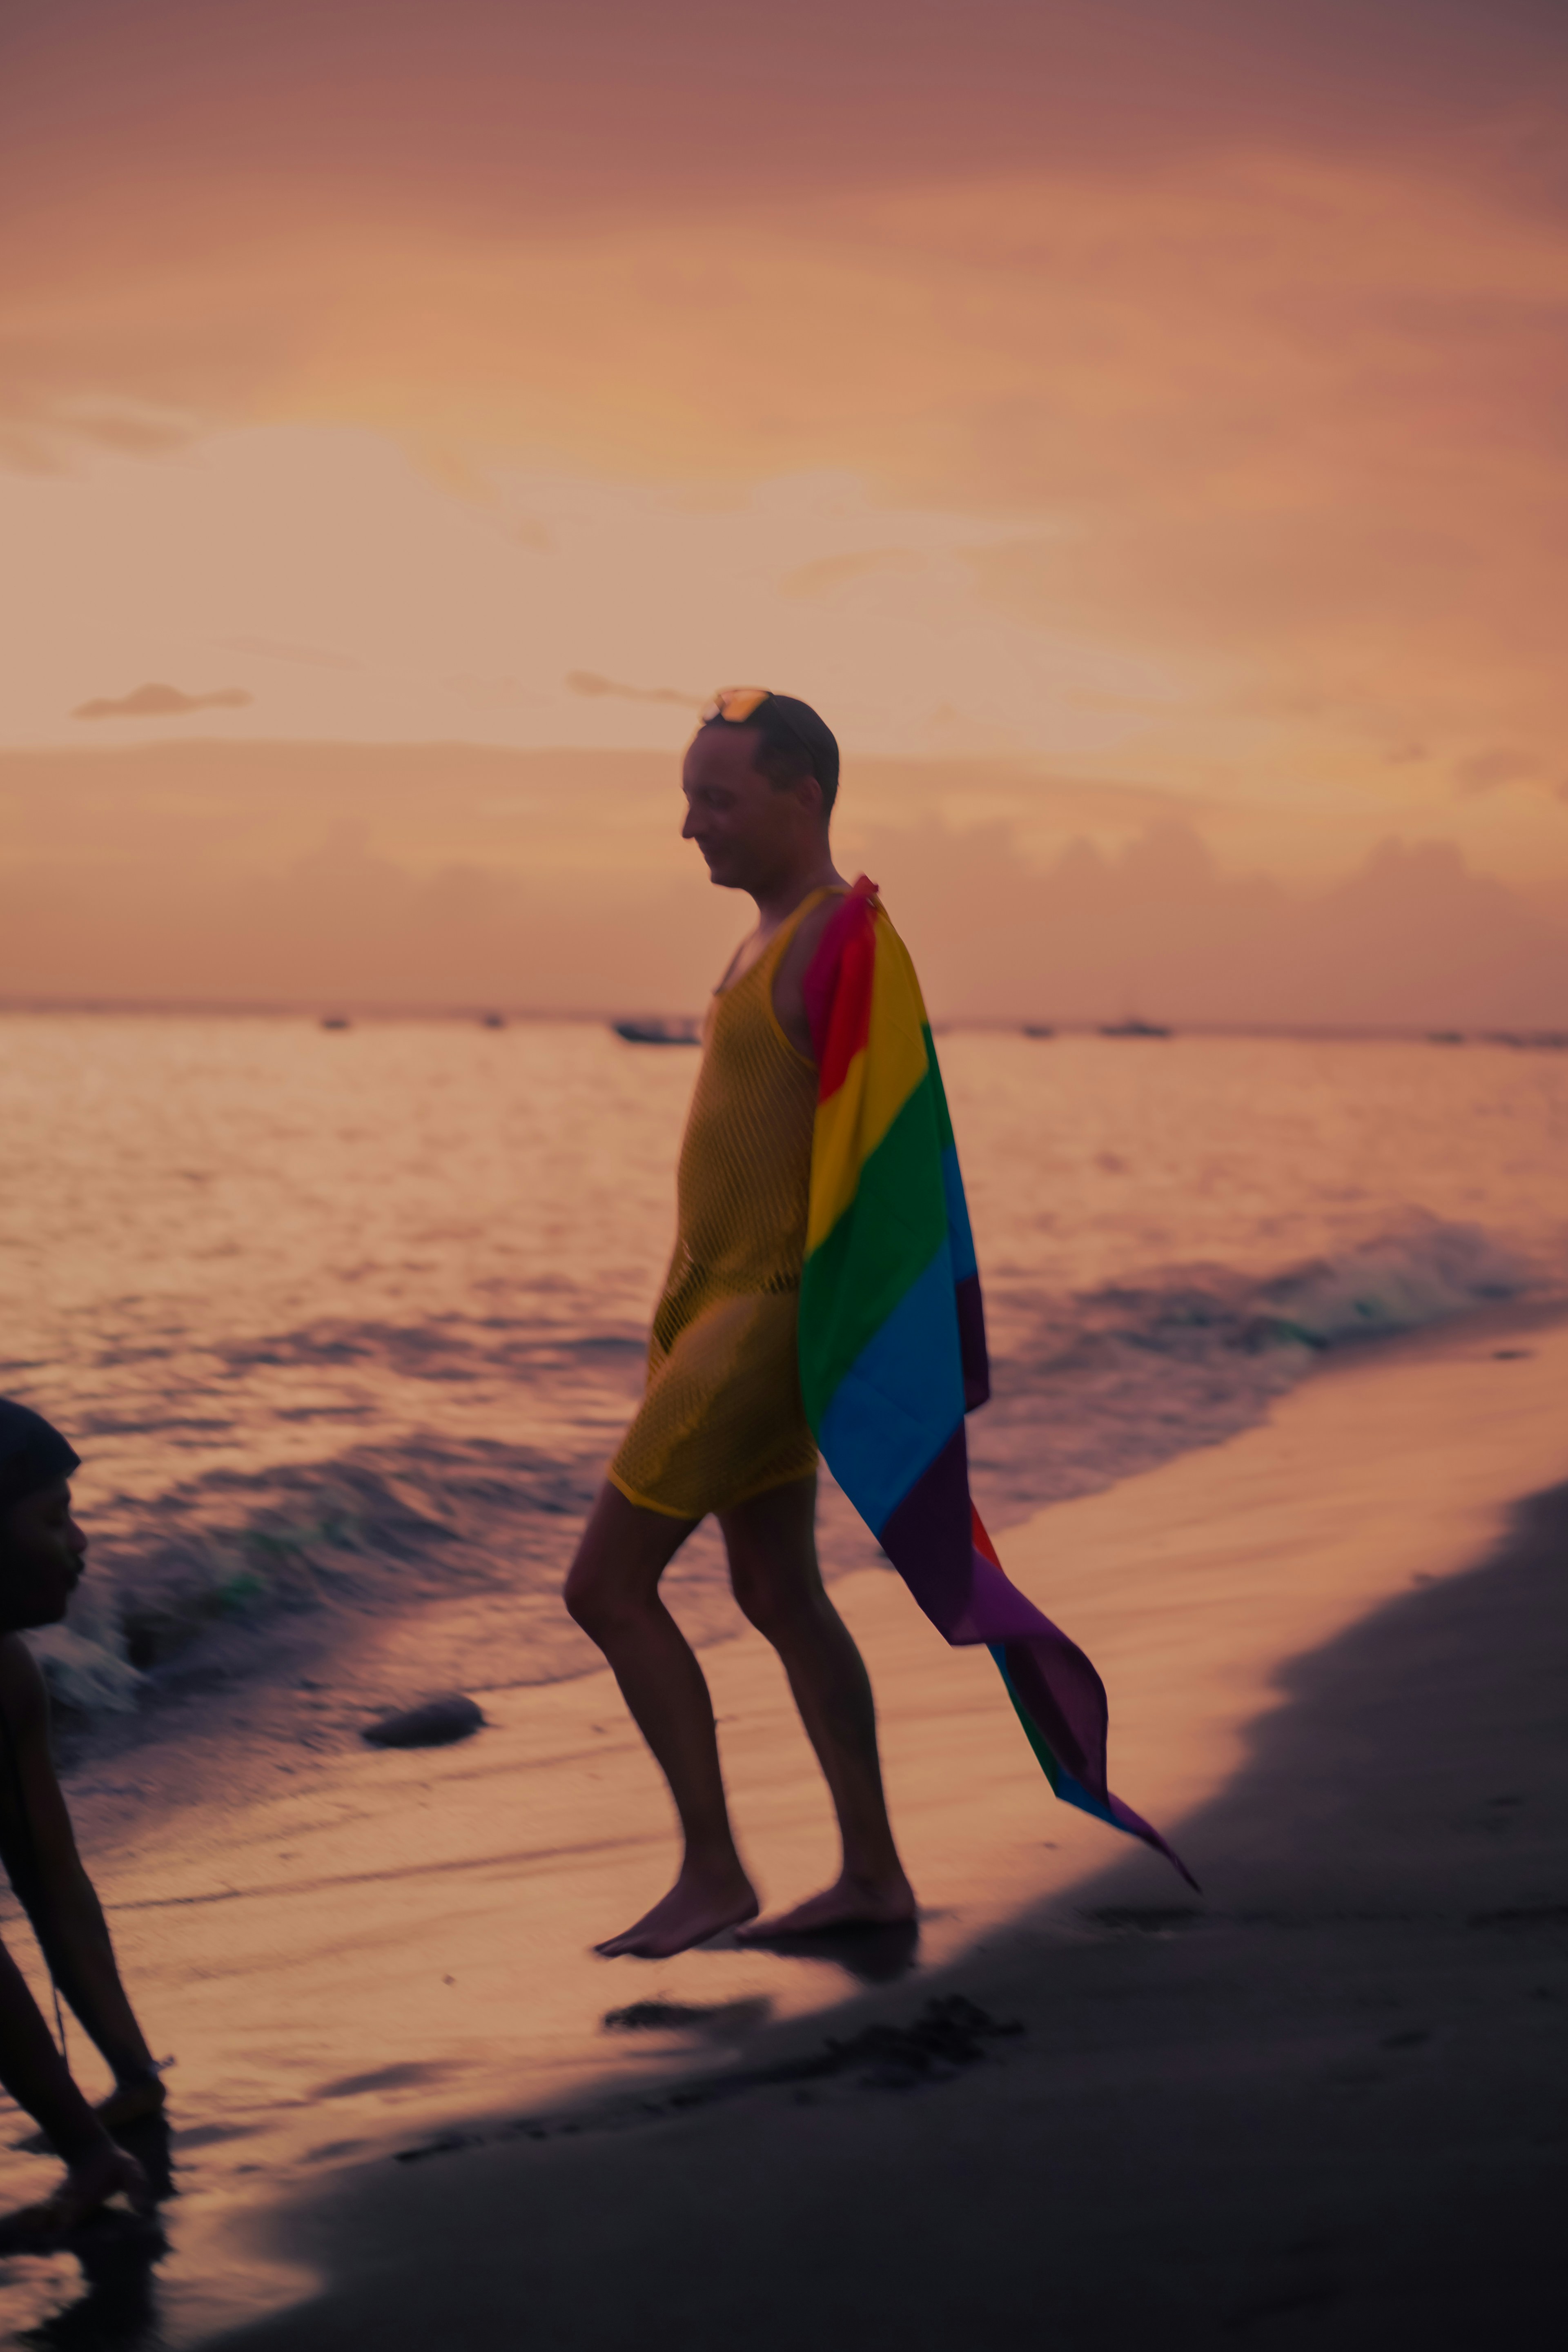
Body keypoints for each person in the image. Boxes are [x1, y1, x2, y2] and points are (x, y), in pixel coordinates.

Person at [566, 688, 917, 1959]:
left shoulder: (844, 939)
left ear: (803, 795)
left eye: (717, 797)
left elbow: (894, 1160)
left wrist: (863, 1351)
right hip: (708, 1309)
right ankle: (872, 1876)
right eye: (688, 794)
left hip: (768, 1319)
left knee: (606, 1588)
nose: (689, 825)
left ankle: (712, 1872)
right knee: (777, 1589)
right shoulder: (767, 936)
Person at [0, 1399, 163, 2234]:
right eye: (54, 1519)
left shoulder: (9, 1673)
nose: (81, 1542)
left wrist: (133, 2078)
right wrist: (84, 2149)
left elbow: (52, 1880)